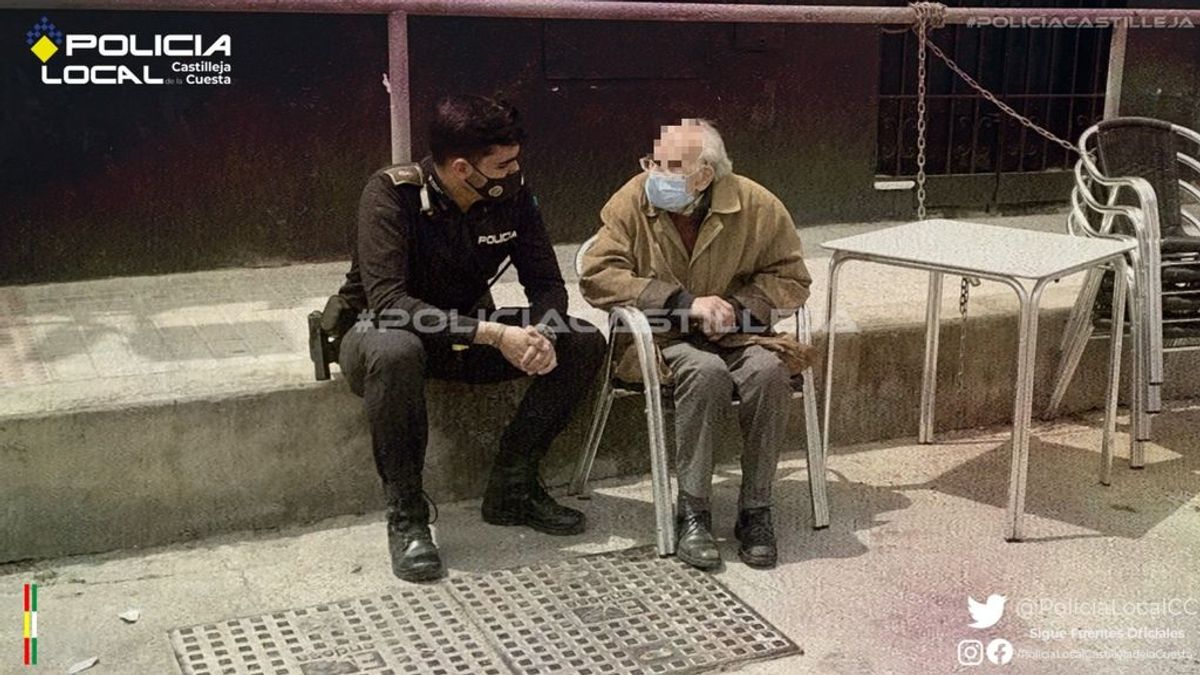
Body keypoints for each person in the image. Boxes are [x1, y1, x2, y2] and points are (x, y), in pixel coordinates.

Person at [332, 94, 606, 582]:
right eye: (504, 163)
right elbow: (390, 303)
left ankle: (513, 486)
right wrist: (494, 333)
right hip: (381, 336)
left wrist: (540, 332)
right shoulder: (390, 195)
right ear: (462, 168)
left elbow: (544, 282)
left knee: (581, 339)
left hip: (467, 336)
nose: (515, 170)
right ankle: (408, 514)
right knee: (397, 350)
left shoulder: (513, 194)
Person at [580, 119, 812, 570]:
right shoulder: (632, 200)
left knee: (768, 372)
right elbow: (597, 276)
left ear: (705, 175)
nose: (655, 174)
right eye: (652, 162)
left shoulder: (756, 205)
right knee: (704, 374)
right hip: (661, 336)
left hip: (738, 333)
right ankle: (693, 510)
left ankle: (756, 509)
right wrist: (683, 303)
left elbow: (791, 276)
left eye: (670, 167)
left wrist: (735, 310)